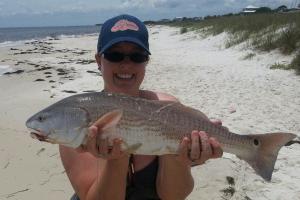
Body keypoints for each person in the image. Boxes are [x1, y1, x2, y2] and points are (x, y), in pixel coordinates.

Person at [59, 14, 223, 200]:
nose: (126, 65)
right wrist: (116, 159)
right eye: (115, 55)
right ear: (98, 60)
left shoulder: (167, 108)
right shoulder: (76, 120)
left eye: (137, 56)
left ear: (146, 61)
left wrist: (179, 157)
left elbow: (173, 196)